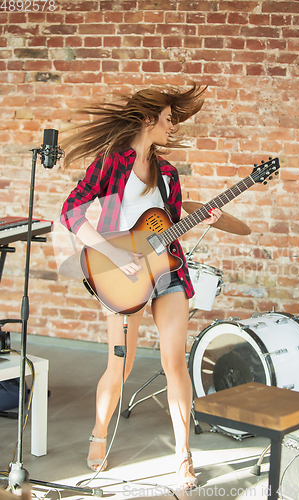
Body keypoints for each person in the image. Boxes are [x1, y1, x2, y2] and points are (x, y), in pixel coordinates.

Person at [60, 84, 222, 490]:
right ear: (148, 119)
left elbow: (169, 227)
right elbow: (71, 211)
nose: (172, 127)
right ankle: (100, 432)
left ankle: (182, 455)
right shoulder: (111, 162)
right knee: (121, 364)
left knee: (175, 363)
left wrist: (201, 219)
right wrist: (114, 256)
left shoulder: (168, 172)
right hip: (122, 275)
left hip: (166, 271)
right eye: (168, 119)